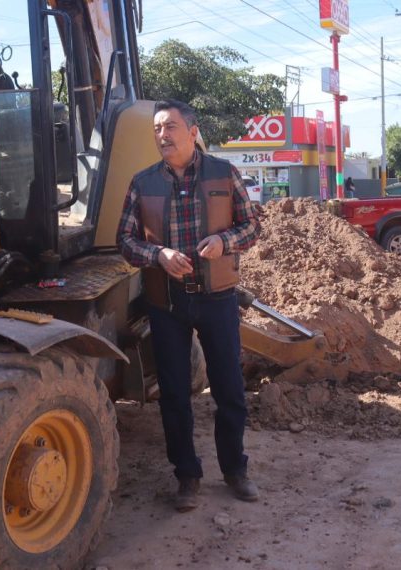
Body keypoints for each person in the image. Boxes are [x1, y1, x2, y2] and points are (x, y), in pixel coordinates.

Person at [117, 99, 261, 512]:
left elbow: (251, 226)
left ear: (193, 131)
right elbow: (124, 241)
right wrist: (157, 255)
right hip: (167, 303)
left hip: (217, 299)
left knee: (230, 390)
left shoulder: (223, 173)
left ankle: (235, 470)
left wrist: (224, 242)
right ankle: (187, 476)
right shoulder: (142, 183)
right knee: (175, 395)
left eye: (171, 127)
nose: (163, 135)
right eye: (158, 128)